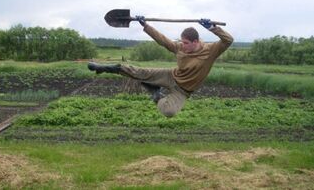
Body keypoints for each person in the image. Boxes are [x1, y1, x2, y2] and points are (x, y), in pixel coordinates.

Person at [88, 16, 233, 117]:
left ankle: (155, 94)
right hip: (171, 76)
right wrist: (145, 25)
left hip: (183, 91)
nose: (182, 45)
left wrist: (213, 28)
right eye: (182, 41)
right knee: (139, 72)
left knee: (169, 112)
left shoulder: (211, 51)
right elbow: (163, 40)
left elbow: (228, 40)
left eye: (186, 43)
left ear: (196, 42)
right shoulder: (180, 48)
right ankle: (102, 68)